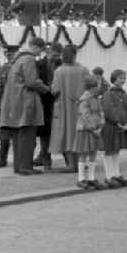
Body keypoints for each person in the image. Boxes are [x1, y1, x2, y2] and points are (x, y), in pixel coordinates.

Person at [0, 37, 51, 174]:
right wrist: (47, 90)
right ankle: (26, 167)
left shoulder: (16, 60)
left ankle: (18, 167)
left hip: (15, 103)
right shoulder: (29, 59)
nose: (40, 53)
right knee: (27, 136)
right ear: (36, 47)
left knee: (17, 137)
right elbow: (31, 81)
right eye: (40, 49)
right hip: (26, 102)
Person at [49, 45, 92, 173]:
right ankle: (81, 162)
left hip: (63, 107)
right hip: (80, 107)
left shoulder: (59, 71)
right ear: (75, 55)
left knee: (65, 133)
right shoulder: (84, 70)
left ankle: (70, 164)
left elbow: (54, 90)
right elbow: (90, 87)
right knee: (79, 133)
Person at [0, 46, 18, 168]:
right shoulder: (5, 67)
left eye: (11, 54)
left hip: (18, 105)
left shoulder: (21, 65)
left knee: (18, 134)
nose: (9, 56)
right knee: (4, 134)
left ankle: (20, 159)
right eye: (7, 55)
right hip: (5, 105)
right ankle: (2, 159)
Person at [101, 69, 127, 188]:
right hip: (111, 126)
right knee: (109, 150)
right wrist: (117, 122)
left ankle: (117, 174)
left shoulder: (124, 94)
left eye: (124, 78)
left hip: (121, 127)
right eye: (120, 78)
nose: (123, 80)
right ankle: (109, 176)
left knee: (117, 149)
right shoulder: (108, 93)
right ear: (114, 79)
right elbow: (108, 110)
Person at [74, 74, 105, 190]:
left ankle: (91, 178)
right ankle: (81, 179)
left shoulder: (96, 98)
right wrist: (94, 128)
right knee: (83, 154)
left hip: (95, 130)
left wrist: (101, 125)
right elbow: (86, 116)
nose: (100, 88)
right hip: (85, 130)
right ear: (91, 87)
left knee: (93, 153)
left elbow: (101, 112)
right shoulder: (84, 100)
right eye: (98, 85)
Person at [34, 42, 61, 170]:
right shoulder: (39, 64)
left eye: (58, 55)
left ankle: (43, 155)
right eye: (54, 55)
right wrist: (47, 90)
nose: (56, 58)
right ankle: (45, 157)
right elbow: (36, 80)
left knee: (54, 130)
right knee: (45, 131)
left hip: (58, 100)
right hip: (44, 100)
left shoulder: (61, 64)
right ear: (48, 52)